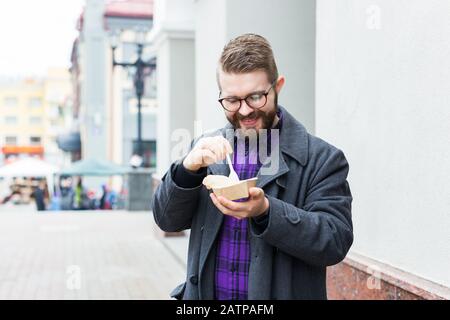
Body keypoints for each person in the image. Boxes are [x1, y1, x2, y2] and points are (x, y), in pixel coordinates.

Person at [152, 34, 353, 300]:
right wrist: (186, 171)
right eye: (232, 100)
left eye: (256, 97)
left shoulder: (322, 159)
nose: (245, 111)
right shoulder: (205, 148)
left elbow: (334, 241)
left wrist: (267, 211)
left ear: (277, 86)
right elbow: (168, 220)